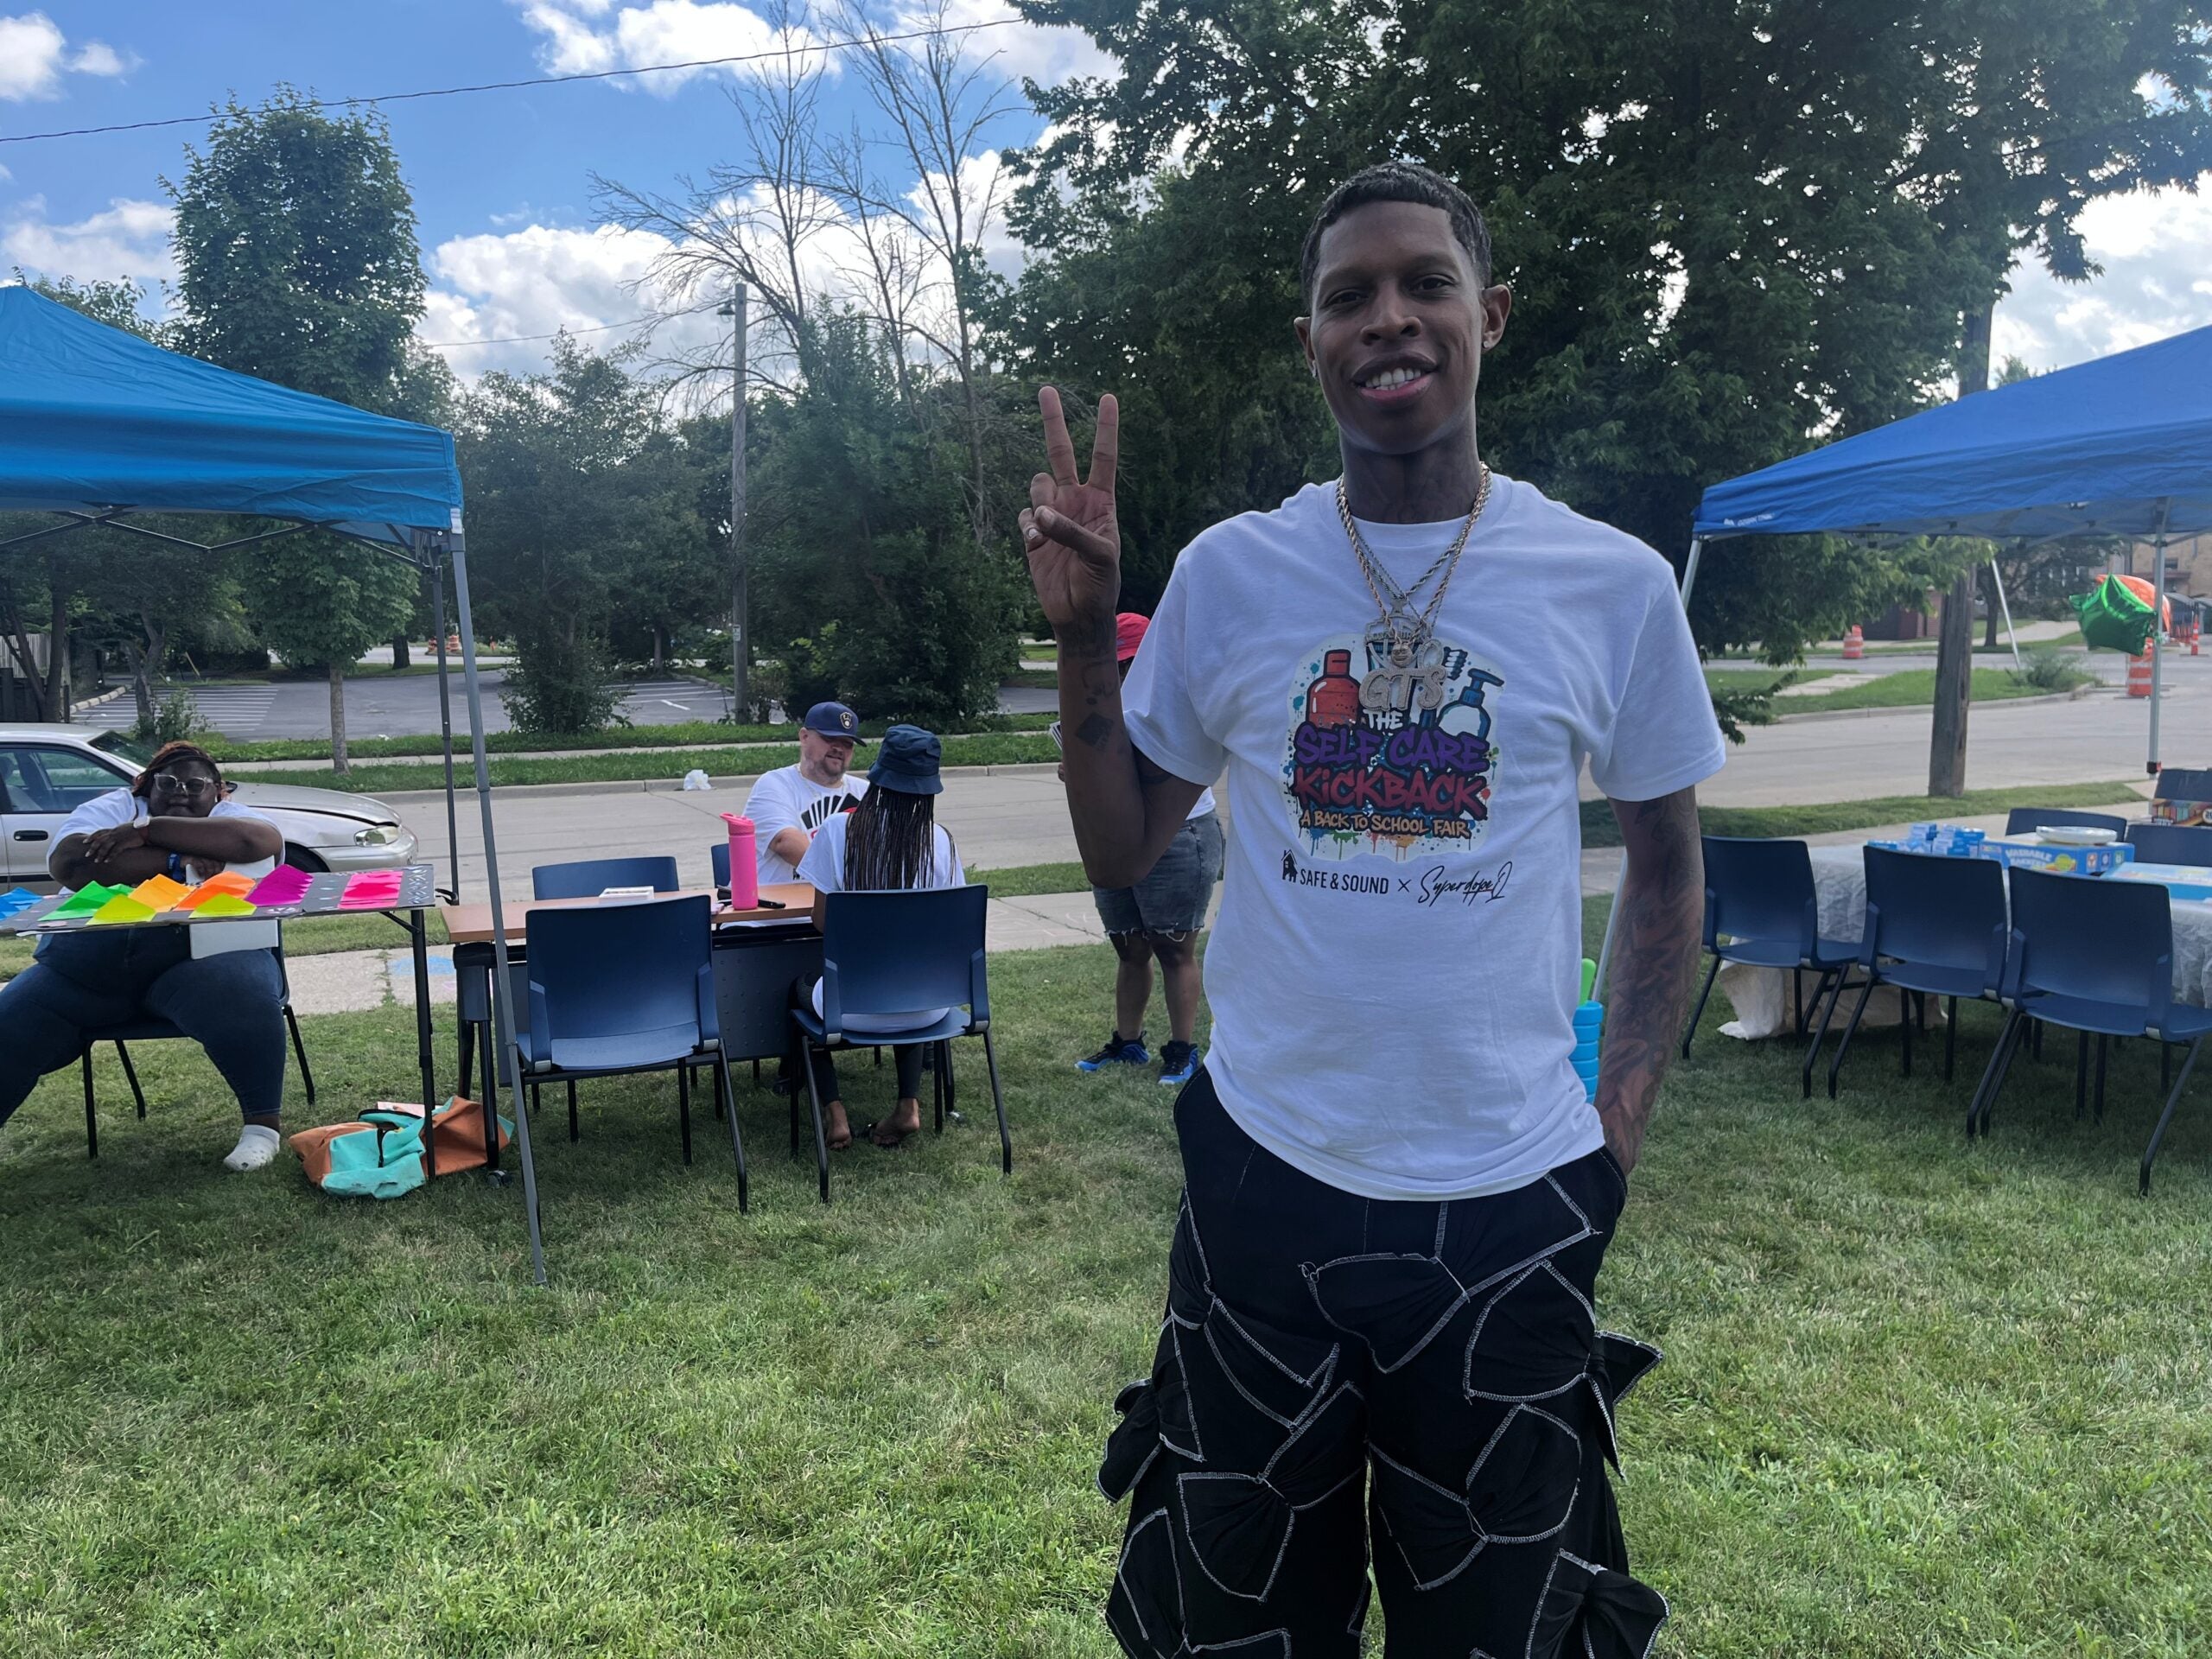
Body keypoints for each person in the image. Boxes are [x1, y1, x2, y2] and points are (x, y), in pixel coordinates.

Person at [1020, 162, 1720, 1656]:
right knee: (1240, 1626)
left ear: (1491, 316)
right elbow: (1123, 850)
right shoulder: (1233, 574)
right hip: (1265, 1183)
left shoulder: (1609, 584)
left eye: (1424, 284)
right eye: (1350, 295)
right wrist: (1086, 643)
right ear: (1312, 338)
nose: (1387, 319)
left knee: (1508, 1627)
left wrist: (1619, 1130)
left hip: (1515, 1202)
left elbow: (1666, 864)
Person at [0, 741, 290, 1171]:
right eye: (168, 782)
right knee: (12, 1020)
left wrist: (143, 834)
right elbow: (74, 866)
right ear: (143, 786)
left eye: (196, 785)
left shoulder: (229, 816)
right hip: (87, 971)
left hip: (198, 963)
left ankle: (261, 1129)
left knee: (240, 990)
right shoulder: (110, 808)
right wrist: (180, 858)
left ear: (218, 792)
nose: (182, 792)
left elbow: (256, 841)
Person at [794, 724, 967, 1150]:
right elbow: (953, 932)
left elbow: (822, 922)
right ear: (929, 789)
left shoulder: (837, 831)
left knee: (795, 991)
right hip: (929, 1010)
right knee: (907, 985)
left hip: (849, 1007)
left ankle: (835, 1113)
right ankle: (908, 1104)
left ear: (877, 777)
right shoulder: (941, 842)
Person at [1071, 611, 1224, 1086]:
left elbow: (1178, 774)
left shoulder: (1176, 703)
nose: (1119, 675)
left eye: (1127, 664)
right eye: (1113, 665)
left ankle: (1182, 1050)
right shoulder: (1096, 706)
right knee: (1129, 947)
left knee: (1174, 947)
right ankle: (1128, 1040)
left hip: (1181, 834)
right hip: (1117, 837)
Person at [742, 701, 868, 886]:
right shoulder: (774, 784)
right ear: (804, 736)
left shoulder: (865, 792)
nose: (838, 748)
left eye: (847, 743)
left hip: (841, 907)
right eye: (829, 739)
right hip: (780, 911)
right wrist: (846, 881)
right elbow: (784, 842)